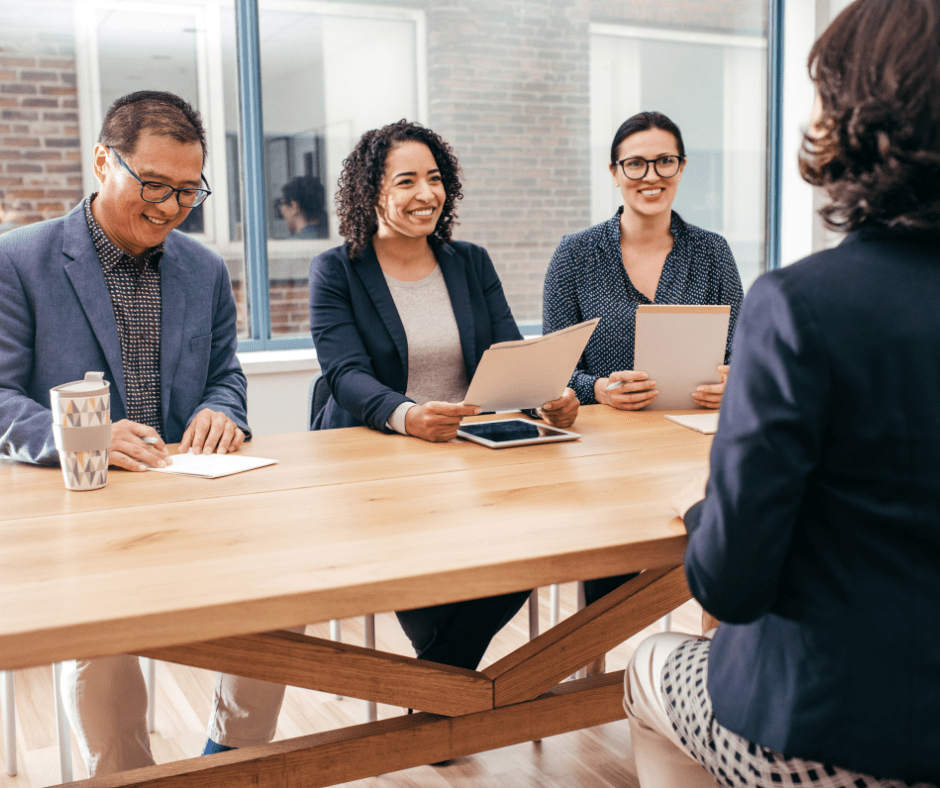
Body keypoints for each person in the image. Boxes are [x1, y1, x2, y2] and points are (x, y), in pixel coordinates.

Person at [624, 0, 940, 785]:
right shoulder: (580, 254)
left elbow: (730, 585)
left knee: (648, 666)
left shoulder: (803, 304)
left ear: (857, 118)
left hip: (840, 731)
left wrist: (712, 512)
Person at [200, 119, 578, 754]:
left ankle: (437, 692)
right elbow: (344, 373)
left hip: (472, 454)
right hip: (374, 458)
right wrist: (408, 415)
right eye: (406, 180)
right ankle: (450, 701)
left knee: (537, 544)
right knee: (414, 565)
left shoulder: (471, 263)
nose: (424, 192)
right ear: (371, 193)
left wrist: (546, 394)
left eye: (435, 178)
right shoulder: (337, 270)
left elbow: (507, 352)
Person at [0, 90, 250, 775]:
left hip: (191, 502)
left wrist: (222, 410)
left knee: (278, 610)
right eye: (153, 186)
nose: (170, 208)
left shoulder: (202, 270)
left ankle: (231, 758)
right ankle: (129, 775)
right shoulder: (19, 261)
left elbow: (227, 375)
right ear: (102, 161)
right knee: (103, 639)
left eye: (187, 192)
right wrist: (82, 438)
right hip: (84, 512)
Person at [542, 112, 745, 642]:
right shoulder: (575, 255)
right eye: (635, 162)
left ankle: (707, 663)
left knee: (723, 551)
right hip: (602, 454)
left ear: (681, 169)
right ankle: (589, 668)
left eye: (665, 161)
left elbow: (746, 353)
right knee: (608, 582)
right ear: (614, 171)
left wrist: (734, 381)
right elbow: (553, 370)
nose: (650, 175)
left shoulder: (713, 252)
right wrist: (599, 390)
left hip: (693, 446)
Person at [276, 175, 328, 239]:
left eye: (282, 203)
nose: (281, 210)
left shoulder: (292, 246)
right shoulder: (328, 237)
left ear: (294, 207)